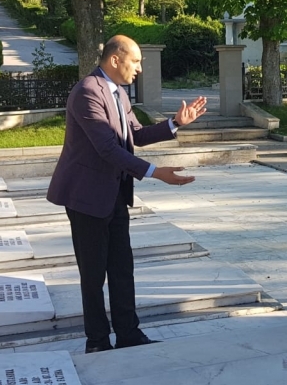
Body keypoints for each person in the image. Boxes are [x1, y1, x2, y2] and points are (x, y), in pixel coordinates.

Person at [46, 35, 208, 354]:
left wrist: (175, 122)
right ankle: (97, 342)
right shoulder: (87, 92)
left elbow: (135, 135)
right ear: (115, 59)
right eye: (135, 61)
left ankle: (128, 334)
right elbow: (107, 148)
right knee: (93, 275)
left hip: (116, 194)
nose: (139, 69)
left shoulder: (118, 92)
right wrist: (155, 172)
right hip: (86, 198)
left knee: (122, 268)